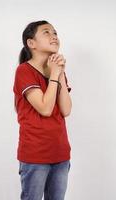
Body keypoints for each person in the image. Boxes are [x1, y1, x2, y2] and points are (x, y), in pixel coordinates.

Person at [13, 20, 72, 200]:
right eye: (46, 32)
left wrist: (59, 73)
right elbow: (45, 109)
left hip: (61, 153)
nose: (54, 35)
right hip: (35, 155)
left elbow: (66, 109)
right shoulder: (24, 71)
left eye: (55, 32)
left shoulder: (56, 71)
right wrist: (55, 74)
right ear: (31, 44)